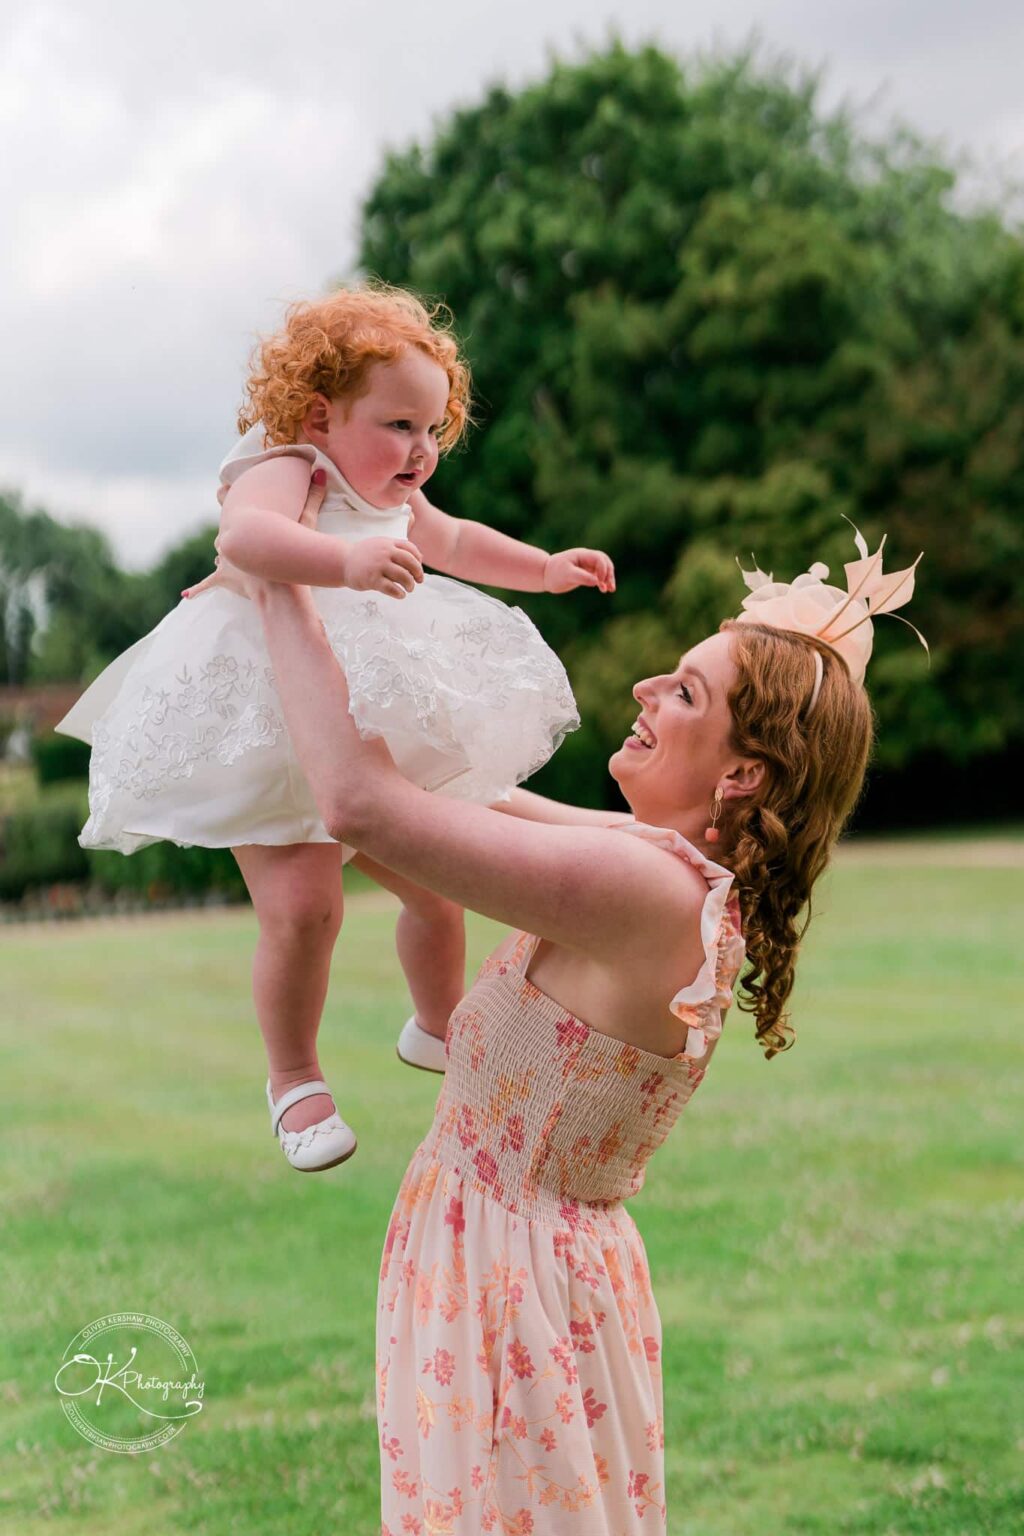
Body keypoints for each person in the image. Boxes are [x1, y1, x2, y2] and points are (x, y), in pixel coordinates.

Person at [228, 471, 922, 1533]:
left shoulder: (647, 891)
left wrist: (275, 578)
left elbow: (362, 807)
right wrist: (328, 594)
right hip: (516, 1270)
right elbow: (455, 795)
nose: (646, 689)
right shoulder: (653, 863)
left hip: (508, 1292)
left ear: (741, 776)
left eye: (684, 692)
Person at [55, 283, 615, 1173]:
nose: (422, 451)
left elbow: (456, 542)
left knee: (440, 881)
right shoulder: (292, 465)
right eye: (399, 426)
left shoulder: (393, 493)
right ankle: (294, 1077)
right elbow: (245, 541)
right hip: (266, 706)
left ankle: (440, 1029)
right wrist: (345, 560)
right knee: (304, 909)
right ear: (320, 414)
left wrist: (545, 568)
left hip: (366, 709)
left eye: (433, 431)